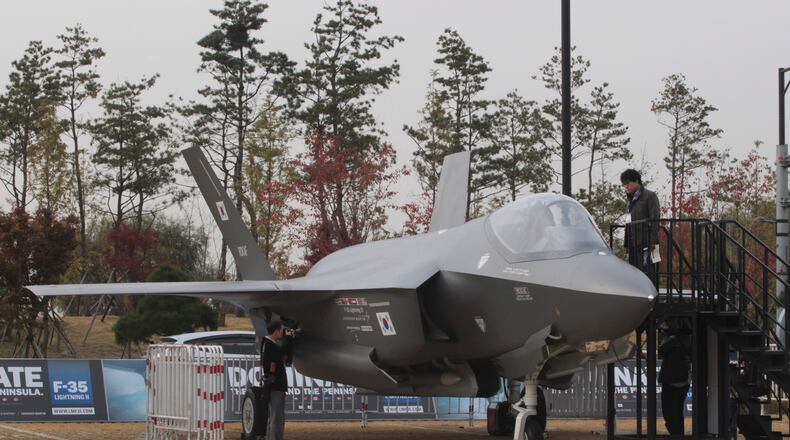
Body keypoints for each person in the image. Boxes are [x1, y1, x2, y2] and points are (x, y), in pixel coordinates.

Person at [620, 169, 660, 270]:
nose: (626, 186)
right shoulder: (630, 199)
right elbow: (628, 221)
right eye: (624, 184)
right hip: (633, 243)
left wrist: (652, 241)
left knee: (649, 271)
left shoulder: (650, 196)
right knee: (634, 271)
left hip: (647, 241)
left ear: (637, 181)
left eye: (627, 183)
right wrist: (626, 243)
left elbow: (655, 218)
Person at [261, 320, 293, 440]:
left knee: (275, 417)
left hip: (273, 385)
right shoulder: (270, 345)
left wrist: (287, 338)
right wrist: (288, 338)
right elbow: (283, 351)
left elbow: (285, 355)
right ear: (275, 331)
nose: (282, 333)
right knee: (276, 417)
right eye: (281, 330)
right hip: (276, 386)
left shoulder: (267, 344)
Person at [658, 333, 690, 437]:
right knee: (677, 413)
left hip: (672, 382)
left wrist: (668, 337)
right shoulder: (688, 341)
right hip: (682, 382)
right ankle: (678, 434)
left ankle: (676, 434)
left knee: (670, 413)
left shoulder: (672, 340)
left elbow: (660, 350)